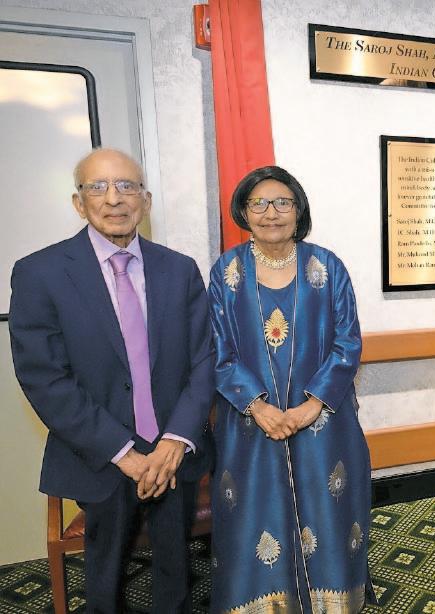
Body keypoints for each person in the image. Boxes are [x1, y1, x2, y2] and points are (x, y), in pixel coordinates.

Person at [9, 149, 214, 612]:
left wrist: (174, 442)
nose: (114, 198)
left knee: (176, 573)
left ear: (146, 200)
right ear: (79, 203)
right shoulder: (39, 273)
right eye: (98, 187)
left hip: (173, 453)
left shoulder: (179, 269)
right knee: (104, 582)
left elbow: (204, 360)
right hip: (99, 455)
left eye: (126, 186)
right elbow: (45, 378)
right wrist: (125, 454)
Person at [208, 166, 370, 613]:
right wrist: (259, 408)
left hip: (323, 423)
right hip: (250, 424)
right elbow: (217, 351)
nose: (271, 212)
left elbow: (348, 343)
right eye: (258, 203)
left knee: (328, 510)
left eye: (283, 202)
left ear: (298, 210)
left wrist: (310, 406)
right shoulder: (226, 272)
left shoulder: (327, 267)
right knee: (255, 512)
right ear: (243, 212)